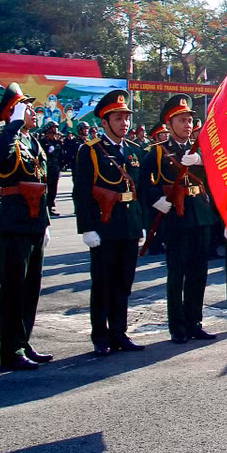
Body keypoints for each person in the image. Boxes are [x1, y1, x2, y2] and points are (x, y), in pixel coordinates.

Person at [72, 89, 146, 355]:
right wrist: (87, 228)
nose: (124, 123)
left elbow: (140, 193)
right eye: (118, 118)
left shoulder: (135, 151)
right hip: (104, 227)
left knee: (124, 283)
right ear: (104, 122)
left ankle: (119, 333)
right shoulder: (91, 151)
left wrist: (141, 224)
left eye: (126, 118)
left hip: (128, 226)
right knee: (103, 283)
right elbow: (81, 192)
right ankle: (100, 336)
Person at [140, 94, 218, 344]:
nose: (187, 125)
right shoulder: (158, 152)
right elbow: (143, 184)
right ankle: (177, 326)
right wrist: (156, 200)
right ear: (169, 123)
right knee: (177, 274)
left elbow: (216, 176)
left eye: (189, 120)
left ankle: (195, 321)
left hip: (200, 215)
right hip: (177, 216)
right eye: (182, 120)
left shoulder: (199, 151)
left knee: (199, 273)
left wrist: (202, 161)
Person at [0, 83, 53, 370]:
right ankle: (10, 350)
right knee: (13, 288)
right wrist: (11, 125)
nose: (33, 111)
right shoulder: (3, 139)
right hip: (13, 223)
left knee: (31, 288)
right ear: (13, 111)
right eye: (26, 107)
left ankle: (23, 341)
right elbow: (2, 161)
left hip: (35, 222)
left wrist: (46, 223)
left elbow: (43, 183)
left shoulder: (32, 142)